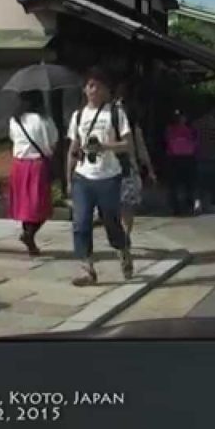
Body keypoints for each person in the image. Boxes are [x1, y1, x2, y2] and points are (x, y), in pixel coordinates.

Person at [66, 68, 133, 286]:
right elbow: (74, 148)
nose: (94, 90)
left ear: (106, 90)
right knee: (81, 222)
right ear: (85, 89)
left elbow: (127, 145)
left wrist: (105, 146)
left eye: (99, 86)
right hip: (83, 176)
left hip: (109, 175)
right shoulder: (78, 116)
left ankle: (122, 249)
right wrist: (68, 177)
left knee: (110, 221)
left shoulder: (115, 112)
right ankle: (87, 267)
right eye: (90, 85)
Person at [7, 91, 59, 256]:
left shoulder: (15, 120)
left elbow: (13, 139)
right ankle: (29, 234)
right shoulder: (44, 120)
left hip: (19, 164)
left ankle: (29, 236)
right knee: (40, 205)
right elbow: (53, 141)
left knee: (24, 204)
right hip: (37, 164)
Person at [115, 87, 156, 243]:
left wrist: (149, 169)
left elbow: (141, 150)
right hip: (115, 168)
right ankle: (123, 234)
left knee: (126, 205)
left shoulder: (132, 128)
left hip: (127, 168)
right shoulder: (109, 123)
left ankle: (125, 235)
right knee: (124, 206)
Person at [164, 109, 198, 215]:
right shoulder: (174, 129)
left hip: (181, 157)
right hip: (180, 158)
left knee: (184, 184)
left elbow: (195, 142)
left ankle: (185, 206)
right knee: (181, 185)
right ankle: (180, 206)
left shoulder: (189, 129)